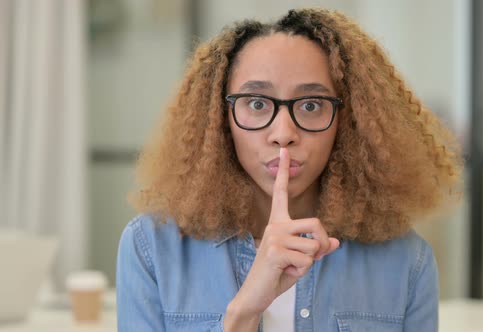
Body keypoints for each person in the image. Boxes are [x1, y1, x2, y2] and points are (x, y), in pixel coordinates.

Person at [116, 7, 463, 332]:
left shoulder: (405, 262)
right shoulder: (152, 248)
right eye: (256, 103)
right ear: (220, 121)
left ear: (348, 123)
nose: (283, 134)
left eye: (311, 105)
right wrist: (243, 312)